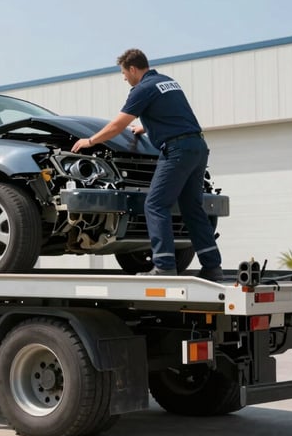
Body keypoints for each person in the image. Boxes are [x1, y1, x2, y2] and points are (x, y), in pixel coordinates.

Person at [71, 49, 223, 281]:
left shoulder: (142, 89)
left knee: (154, 205)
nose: (124, 78)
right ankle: (212, 267)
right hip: (197, 147)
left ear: (133, 69)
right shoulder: (167, 82)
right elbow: (172, 113)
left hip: (177, 150)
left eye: (124, 73)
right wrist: (146, 127)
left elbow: (116, 126)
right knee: (192, 209)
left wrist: (89, 141)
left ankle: (163, 265)